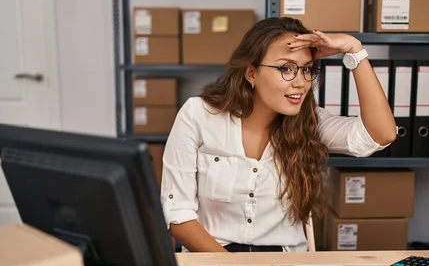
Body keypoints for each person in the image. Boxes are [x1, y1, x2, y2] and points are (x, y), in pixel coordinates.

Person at [160, 17, 396, 253]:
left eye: (306, 70)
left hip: (284, 265)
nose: (301, 83)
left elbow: (380, 134)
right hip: (213, 259)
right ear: (251, 73)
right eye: (286, 69)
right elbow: (178, 215)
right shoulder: (198, 115)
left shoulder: (310, 121)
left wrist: (354, 50)